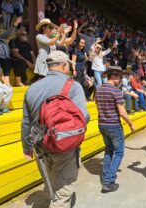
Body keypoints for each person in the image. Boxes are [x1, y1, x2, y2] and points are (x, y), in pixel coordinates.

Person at [21, 50, 90, 207]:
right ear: (65, 65)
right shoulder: (73, 87)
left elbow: (26, 122)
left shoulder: (31, 88)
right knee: (62, 195)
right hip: (63, 147)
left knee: (51, 184)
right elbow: (84, 118)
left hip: (40, 146)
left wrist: (27, 147)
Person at [96, 66, 135, 193]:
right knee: (119, 152)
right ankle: (108, 181)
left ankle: (105, 175)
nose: (120, 80)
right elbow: (123, 113)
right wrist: (130, 124)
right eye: (119, 77)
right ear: (113, 76)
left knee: (108, 150)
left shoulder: (98, 89)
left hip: (102, 124)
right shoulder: (116, 91)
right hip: (113, 125)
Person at [0, 16, 22, 86]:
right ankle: (4, 81)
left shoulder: (1, 38)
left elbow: (8, 33)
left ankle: (14, 82)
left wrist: (15, 24)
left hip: (5, 58)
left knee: (18, 61)